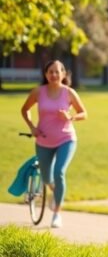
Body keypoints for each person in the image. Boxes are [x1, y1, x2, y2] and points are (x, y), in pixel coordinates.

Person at [20, 59, 88, 228]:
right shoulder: (38, 92)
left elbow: (84, 113)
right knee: (46, 178)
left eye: (57, 71)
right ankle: (56, 192)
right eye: (50, 71)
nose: (54, 75)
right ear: (45, 74)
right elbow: (25, 109)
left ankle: (57, 213)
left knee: (59, 172)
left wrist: (70, 117)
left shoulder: (69, 93)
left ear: (64, 74)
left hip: (66, 139)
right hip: (43, 140)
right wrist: (32, 127)